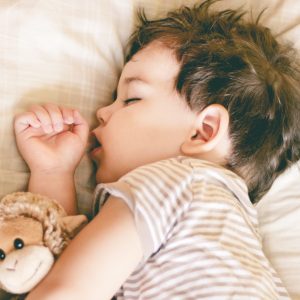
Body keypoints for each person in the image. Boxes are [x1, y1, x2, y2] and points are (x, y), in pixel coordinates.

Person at [14, 0, 300, 299]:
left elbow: (64, 290)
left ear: (204, 131)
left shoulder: (174, 181)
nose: (102, 112)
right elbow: (69, 266)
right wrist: (53, 172)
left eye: (131, 99)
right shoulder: (229, 236)